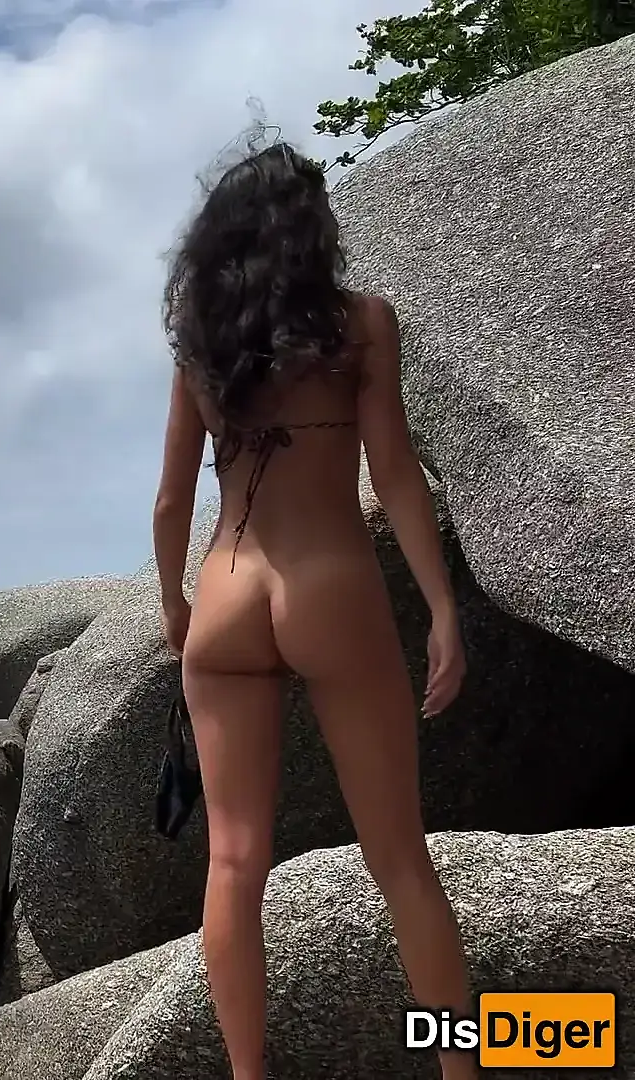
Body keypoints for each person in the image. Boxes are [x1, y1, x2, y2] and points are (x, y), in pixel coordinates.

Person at [150, 138, 478, 1080]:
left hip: (226, 593)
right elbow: (396, 470)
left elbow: (171, 502)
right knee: (400, 861)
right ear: (309, 227)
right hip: (327, 585)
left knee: (232, 863)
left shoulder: (202, 351)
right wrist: (441, 605)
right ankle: (462, 1071)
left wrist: (175, 606)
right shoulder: (361, 324)